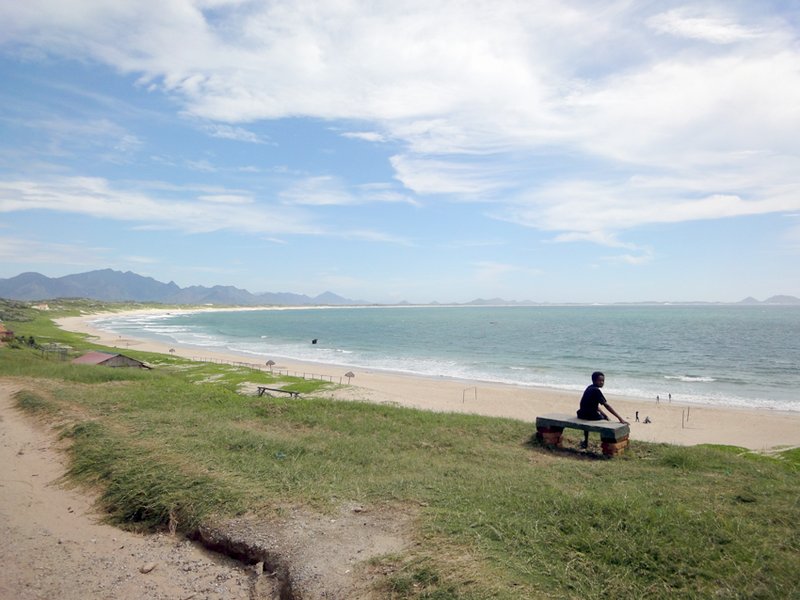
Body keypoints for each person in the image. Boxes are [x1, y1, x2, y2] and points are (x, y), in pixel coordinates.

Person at [576, 371, 628, 448]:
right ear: (594, 381)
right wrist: (620, 418)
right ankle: (607, 441)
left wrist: (604, 414)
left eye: (603, 381)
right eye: (599, 380)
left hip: (581, 414)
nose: (602, 382)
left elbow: (593, 404)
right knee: (607, 421)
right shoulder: (596, 391)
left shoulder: (589, 387)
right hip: (590, 416)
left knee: (603, 417)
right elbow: (606, 405)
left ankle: (585, 441)